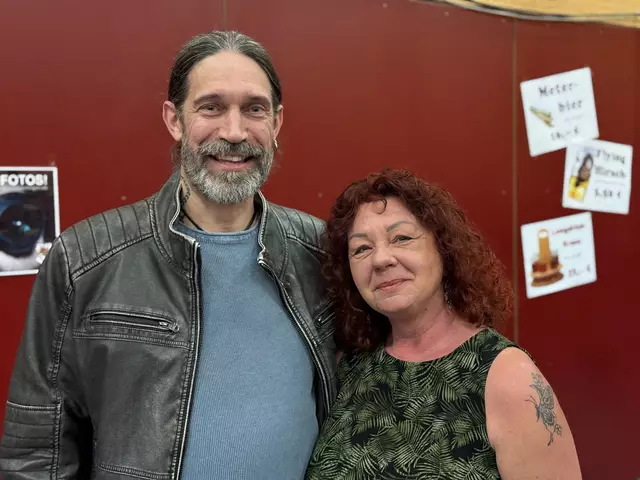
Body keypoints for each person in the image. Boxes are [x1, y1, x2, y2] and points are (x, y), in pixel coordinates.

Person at [0, 31, 336, 480]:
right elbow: (38, 451)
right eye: (211, 107)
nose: (234, 132)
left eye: (254, 109)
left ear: (275, 124)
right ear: (174, 120)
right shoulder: (85, 259)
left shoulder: (320, 252)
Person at [306, 169, 582, 479]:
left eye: (402, 238)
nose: (381, 259)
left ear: (443, 248)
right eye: (361, 248)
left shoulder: (507, 378)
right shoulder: (349, 368)